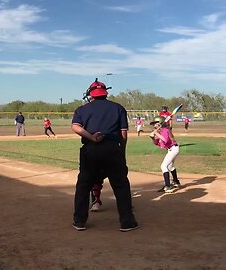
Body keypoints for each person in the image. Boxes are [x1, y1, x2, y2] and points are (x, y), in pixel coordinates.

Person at [71, 78, 138, 232]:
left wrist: (91, 137)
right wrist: (122, 150)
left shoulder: (82, 110)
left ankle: (79, 221)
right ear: (105, 93)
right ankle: (127, 221)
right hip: (113, 149)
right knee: (120, 184)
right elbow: (123, 133)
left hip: (91, 149)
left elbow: (75, 126)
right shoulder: (118, 108)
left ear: (91, 94)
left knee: (84, 185)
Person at [149, 116, 181, 193]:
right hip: (171, 150)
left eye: (155, 124)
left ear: (160, 123)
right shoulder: (160, 132)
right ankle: (176, 182)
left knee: (163, 166)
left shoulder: (165, 130)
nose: (154, 126)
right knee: (170, 166)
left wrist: (156, 133)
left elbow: (165, 140)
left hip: (173, 149)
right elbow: (156, 143)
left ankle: (168, 186)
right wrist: (153, 138)